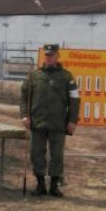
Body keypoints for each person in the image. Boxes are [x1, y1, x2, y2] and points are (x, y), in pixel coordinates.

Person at [19, 44, 80, 197]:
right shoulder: (34, 76)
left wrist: (72, 120)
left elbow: (74, 100)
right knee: (36, 154)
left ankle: (54, 186)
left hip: (58, 124)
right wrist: (24, 116)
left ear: (57, 56)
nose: (49, 57)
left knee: (57, 155)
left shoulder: (66, 77)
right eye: (47, 55)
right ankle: (40, 185)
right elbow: (24, 96)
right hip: (37, 123)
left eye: (52, 55)